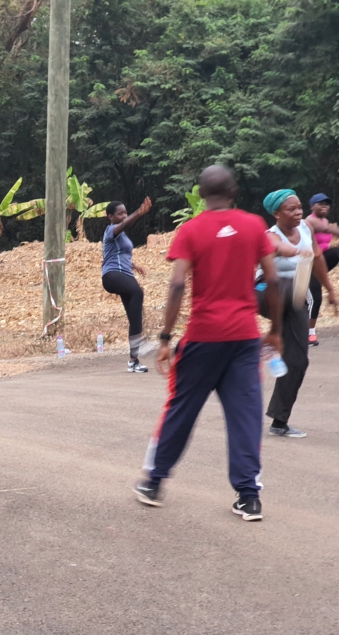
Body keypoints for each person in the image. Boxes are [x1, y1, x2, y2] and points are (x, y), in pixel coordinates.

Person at [134, 166, 283, 522]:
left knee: (181, 409)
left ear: (200, 195)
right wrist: (275, 330)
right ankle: (248, 497)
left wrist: (166, 338)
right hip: (245, 339)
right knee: (245, 415)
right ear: (234, 191)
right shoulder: (254, 226)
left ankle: (153, 483)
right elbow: (274, 281)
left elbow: (176, 286)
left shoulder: (190, 230)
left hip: (203, 337)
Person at [260, 190, 339, 438]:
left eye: (299, 208)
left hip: (293, 298)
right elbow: (278, 246)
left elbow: (317, 259)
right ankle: (266, 341)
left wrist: (330, 291)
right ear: (276, 214)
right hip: (263, 292)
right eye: (291, 209)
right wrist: (293, 251)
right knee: (288, 287)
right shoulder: (269, 236)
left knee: (298, 360)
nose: (298, 212)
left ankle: (279, 421)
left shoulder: (306, 229)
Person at [102, 197, 154, 371]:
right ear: (110, 216)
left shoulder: (121, 236)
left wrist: (134, 265)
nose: (124, 216)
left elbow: (121, 254)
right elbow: (124, 226)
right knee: (137, 292)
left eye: (125, 212)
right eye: (120, 213)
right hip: (112, 275)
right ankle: (142, 341)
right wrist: (139, 212)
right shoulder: (111, 230)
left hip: (126, 274)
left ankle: (134, 361)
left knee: (135, 317)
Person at [305, 192, 339, 345]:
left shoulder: (325, 221)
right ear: (312, 207)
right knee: (315, 299)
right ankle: (309, 334)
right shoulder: (310, 221)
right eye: (320, 203)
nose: (324, 206)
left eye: (326, 203)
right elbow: (329, 230)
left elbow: (329, 229)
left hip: (322, 262)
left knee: (338, 250)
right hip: (309, 265)